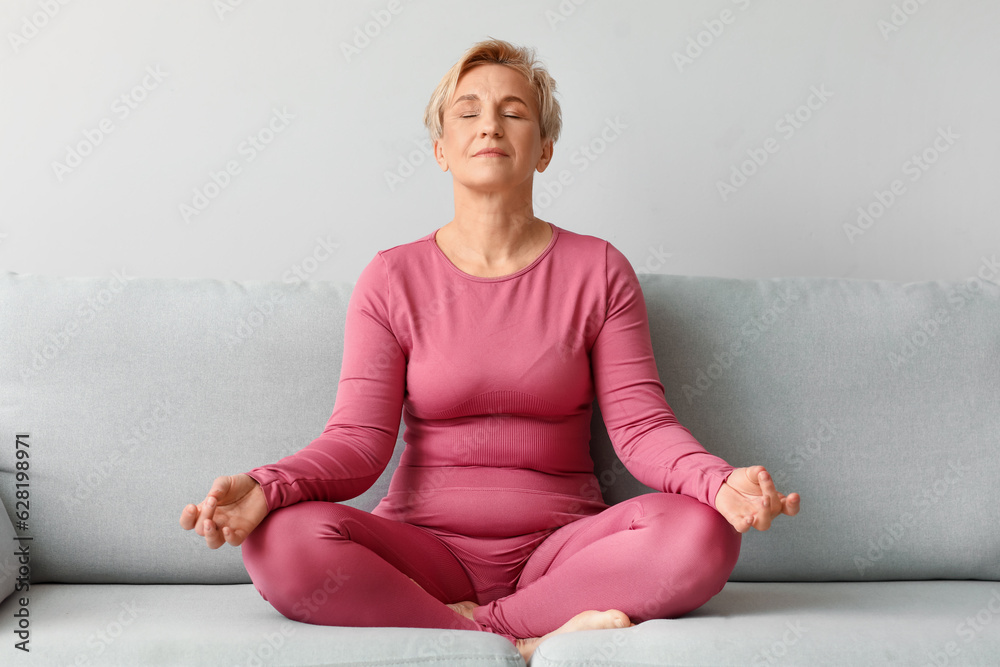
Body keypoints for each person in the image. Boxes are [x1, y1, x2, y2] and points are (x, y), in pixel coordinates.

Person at [179, 37, 800, 663]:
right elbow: (356, 443)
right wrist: (269, 487)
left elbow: (642, 429)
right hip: (423, 551)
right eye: (468, 111)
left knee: (702, 534)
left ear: (546, 149)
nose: (490, 126)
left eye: (515, 111)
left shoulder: (599, 270)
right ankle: (527, 640)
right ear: (440, 149)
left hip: (563, 555)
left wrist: (718, 483)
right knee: (278, 541)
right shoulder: (391, 278)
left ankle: (476, 632)